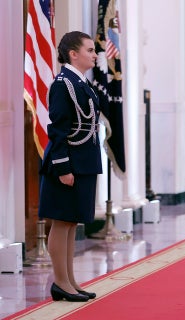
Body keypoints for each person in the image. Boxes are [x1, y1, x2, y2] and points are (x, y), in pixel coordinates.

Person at [38, 31, 102, 302]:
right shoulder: (63, 83)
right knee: (61, 223)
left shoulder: (81, 82)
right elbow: (58, 129)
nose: (95, 54)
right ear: (73, 54)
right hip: (67, 163)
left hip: (83, 160)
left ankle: (69, 281)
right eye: (89, 50)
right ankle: (61, 283)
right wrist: (63, 168)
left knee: (71, 222)